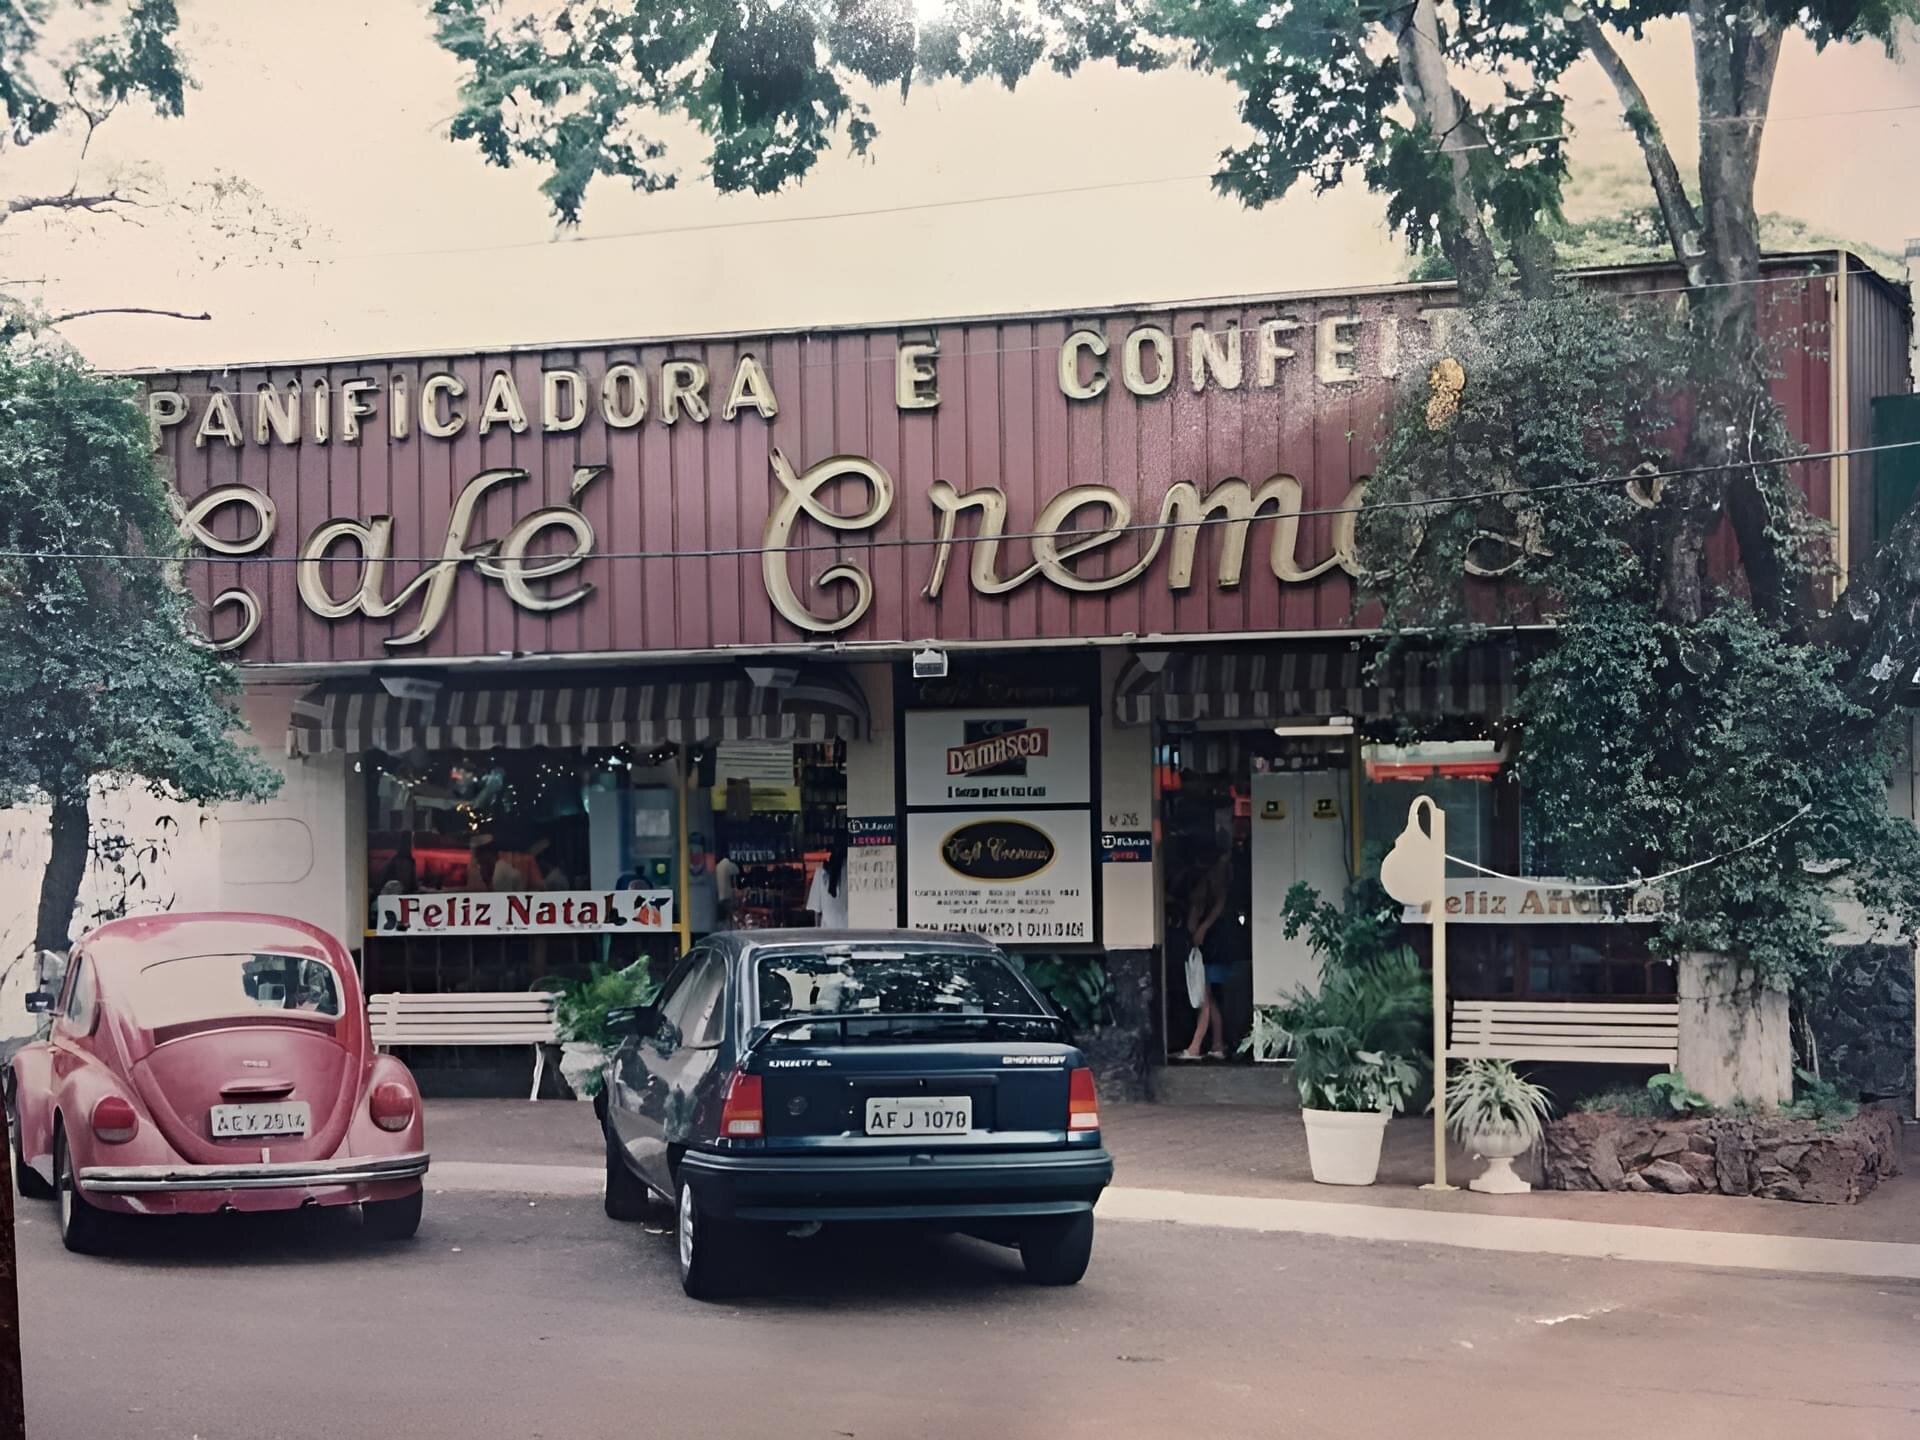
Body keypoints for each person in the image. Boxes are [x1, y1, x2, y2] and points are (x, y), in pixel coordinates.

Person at [1176, 837, 1233, 1061]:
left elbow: (1207, 908)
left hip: (1205, 945)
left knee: (1204, 997)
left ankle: (1195, 1047)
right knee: (1208, 995)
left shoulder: (1209, 881)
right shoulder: (1218, 879)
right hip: (1211, 944)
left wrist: (1200, 929)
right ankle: (1217, 1044)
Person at [805, 832, 849, 930]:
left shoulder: (821, 872)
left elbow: (816, 910)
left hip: (829, 933)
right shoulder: (854, 871)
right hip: (850, 930)